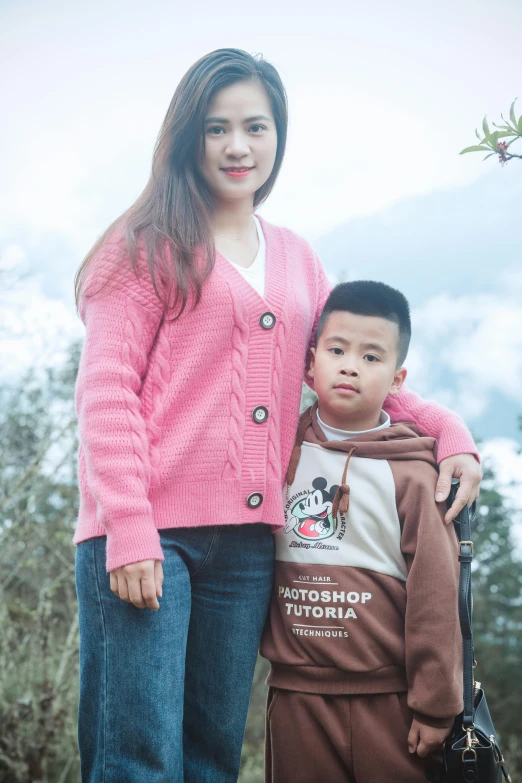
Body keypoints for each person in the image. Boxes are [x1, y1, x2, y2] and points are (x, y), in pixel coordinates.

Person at [73, 49, 480, 783]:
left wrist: (449, 432)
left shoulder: (295, 258)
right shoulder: (142, 248)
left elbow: (343, 373)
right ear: (187, 136)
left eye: (255, 127)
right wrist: (128, 527)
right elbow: (106, 394)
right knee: (137, 758)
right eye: (217, 128)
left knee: (211, 758)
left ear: (277, 137)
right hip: (148, 538)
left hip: (249, 548)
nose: (237, 146)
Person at [261, 280, 463, 783]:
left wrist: (436, 706)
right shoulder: (277, 454)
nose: (350, 365)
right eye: (337, 350)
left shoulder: (415, 475)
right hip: (297, 699)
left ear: (398, 380)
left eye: (371, 358)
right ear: (310, 364)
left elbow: (436, 594)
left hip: (391, 704)